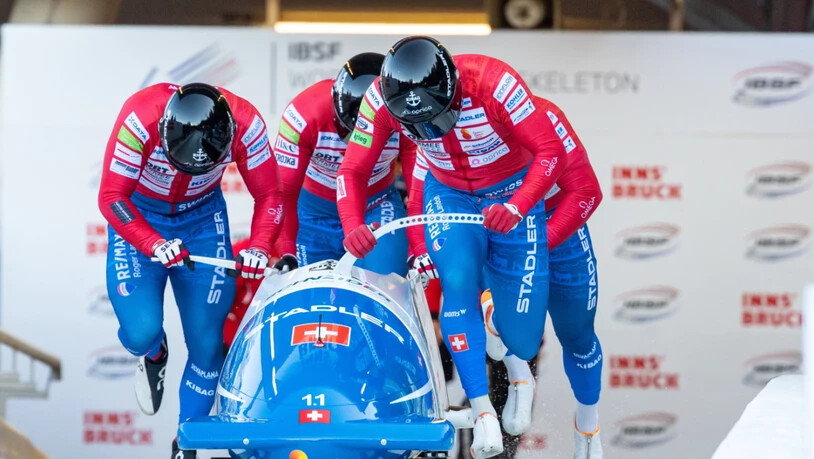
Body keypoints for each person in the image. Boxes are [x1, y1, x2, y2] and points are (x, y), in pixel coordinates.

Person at [337, 35, 572, 458]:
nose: (427, 133)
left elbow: (550, 152)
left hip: (508, 194)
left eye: (436, 119)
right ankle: (481, 412)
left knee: (517, 328)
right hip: (450, 196)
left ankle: (515, 378)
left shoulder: (495, 83)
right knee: (457, 280)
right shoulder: (379, 102)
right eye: (417, 128)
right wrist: (352, 223)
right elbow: (353, 170)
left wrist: (519, 206)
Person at [98, 82, 292, 458]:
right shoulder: (139, 119)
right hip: (141, 219)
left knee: (206, 345)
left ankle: (187, 443)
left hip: (202, 221)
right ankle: (154, 354)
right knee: (140, 332)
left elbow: (271, 194)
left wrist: (260, 246)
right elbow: (110, 197)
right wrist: (152, 243)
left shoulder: (247, 125)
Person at [410, 90, 604, 458]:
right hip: (497, 237)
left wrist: (534, 246)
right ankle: (503, 376)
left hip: (552, 230)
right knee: (472, 285)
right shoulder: (443, 138)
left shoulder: (545, 121)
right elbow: (428, 212)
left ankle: (582, 425)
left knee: (573, 332)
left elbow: (587, 191)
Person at [272, 53, 416, 274]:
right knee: (315, 301)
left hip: (377, 207)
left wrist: (419, 246)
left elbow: (416, 187)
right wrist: (287, 251)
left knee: (385, 282)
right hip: (313, 216)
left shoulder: (403, 112)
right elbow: (284, 192)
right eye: (348, 132)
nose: (355, 144)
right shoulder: (302, 115)